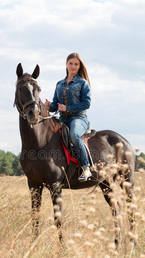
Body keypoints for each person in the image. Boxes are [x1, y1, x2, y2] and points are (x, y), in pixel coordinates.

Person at [44, 52, 92, 181]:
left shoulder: (83, 83)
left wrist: (68, 108)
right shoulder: (59, 84)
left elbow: (87, 103)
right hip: (63, 118)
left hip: (79, 118)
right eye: (71, 63)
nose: (73, 66)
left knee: (74, 135)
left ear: (79, 66)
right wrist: (49, 107)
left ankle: (86, 168)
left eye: (76, 64)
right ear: (66, 64)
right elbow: (55, 105)